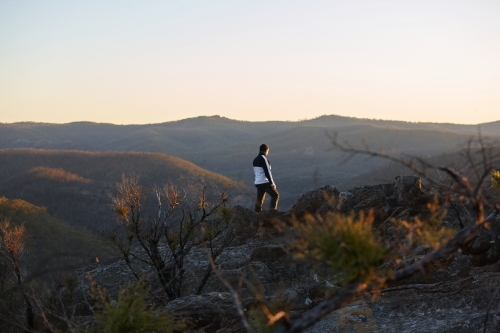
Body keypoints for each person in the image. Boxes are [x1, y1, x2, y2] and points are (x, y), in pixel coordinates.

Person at [253, 143, 279, 212]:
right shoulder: (264, 159)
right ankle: (271, 213)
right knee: (275, 195)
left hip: (257, 182)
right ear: (266, 150)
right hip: (264, 181)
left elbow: (256, 172)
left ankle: (257, 215)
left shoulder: (255, 160)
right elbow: (268, 172)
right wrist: (272, 184)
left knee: (259, 200)